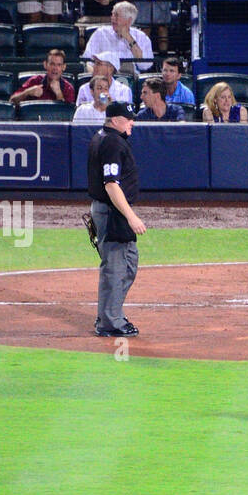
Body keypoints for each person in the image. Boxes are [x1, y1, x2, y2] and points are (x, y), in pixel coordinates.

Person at [88, 101, 147, 338]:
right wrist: (130, 216)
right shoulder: (112, 142)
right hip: (113, 212)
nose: (132, 122)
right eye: (128, 118)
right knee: (116, 267)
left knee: (128, 262)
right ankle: (110, 322)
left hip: (109, 210)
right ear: (114, 120)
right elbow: (111, 184)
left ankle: (108, 313)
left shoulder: (103, 137)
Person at [83, 2, 156, 73]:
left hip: (129, 76)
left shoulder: (141, 36)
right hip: (103, 75)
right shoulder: (101, 33)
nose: (112, 18)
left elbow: (145, 65)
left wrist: (128, 38)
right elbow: (87, 59)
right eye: (112, 14)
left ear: (129, 21)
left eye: (116, 15)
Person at [10, 49, 76, 104]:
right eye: (52, 64)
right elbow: (12, 101)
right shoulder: (34, 81)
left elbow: (67, 114)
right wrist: (27, 92)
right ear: (45, 65)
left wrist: (59, 93)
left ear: (63, 67)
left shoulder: (68, 88)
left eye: (59, 65)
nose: (55, 68)